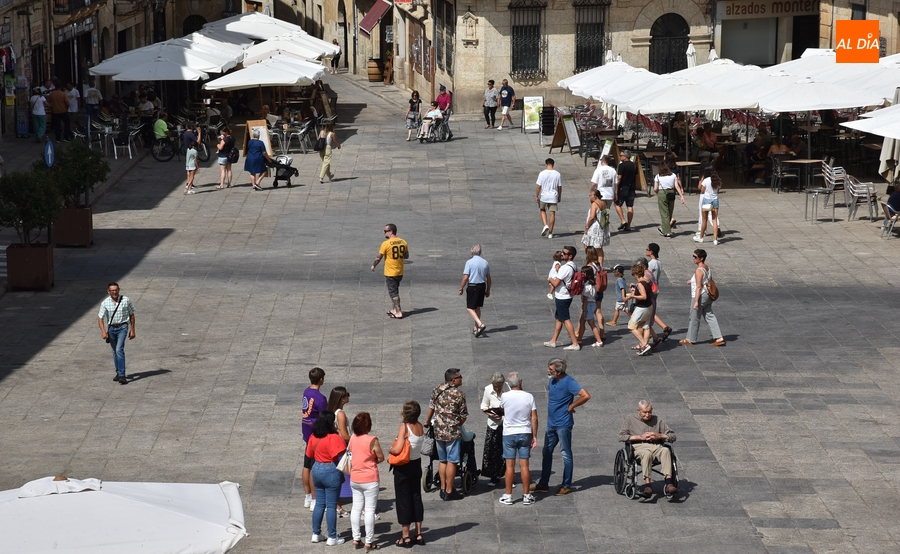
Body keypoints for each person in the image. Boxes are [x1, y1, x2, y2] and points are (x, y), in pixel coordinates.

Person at [531, 358, 590, 496]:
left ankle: (566, 484)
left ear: (558, 372)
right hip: (551, 423)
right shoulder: (552, 380)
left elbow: (586, 395)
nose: (548, 371)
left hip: (563, 424)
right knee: (546, 451)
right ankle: (543, 483)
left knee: (565, 453)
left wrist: (572, 405)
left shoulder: (569, 382)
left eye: (551, 369)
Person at [425, 368, 468, 501]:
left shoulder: (437, 389)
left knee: (442, 460)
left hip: (438, 431)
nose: (462, 379)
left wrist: (427, 422)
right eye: (460, 377)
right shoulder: (459, 394)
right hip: (452, 433)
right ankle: (450, 490)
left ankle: (443, 488)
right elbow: (463, 415)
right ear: (453, 380)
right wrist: (456, 425)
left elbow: (431, 407)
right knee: (453, 461)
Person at [619, 400, 677, 497]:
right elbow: (621, 437)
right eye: (644, 412)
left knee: (666, 450)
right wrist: (640, 437)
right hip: (638, 447)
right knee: (646, 454)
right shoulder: (630, 419)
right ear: (639, 411)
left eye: (649, 412)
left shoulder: (657, 420)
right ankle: (648, 485)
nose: (647, 414)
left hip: (656, 446)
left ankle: (669, 483)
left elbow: (673, 436)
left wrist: (659, 436)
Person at [307, 411, 347, 546]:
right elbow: (342, 451)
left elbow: (309, 453)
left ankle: (316, 533)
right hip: (330, 469)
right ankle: (332, 537)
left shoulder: (313, 436)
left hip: (316, 469)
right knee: (331, 505)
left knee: (319, 503)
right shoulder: (334, 437)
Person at [498, 372, 538, 506]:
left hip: (509, 433)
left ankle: (508, 496)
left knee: (509, 466)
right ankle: (527, 495)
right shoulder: (529, 396)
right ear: (520, 382)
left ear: (509, 385)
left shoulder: (505, 396)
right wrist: (534, 436)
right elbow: (534, 418)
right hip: (525, 432)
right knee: (524, 465)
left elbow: (502, 409)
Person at [389, 401, 425, 547]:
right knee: (416, 497)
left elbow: (397, 450)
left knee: (403, 499)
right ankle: (418, 533)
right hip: (416, 465)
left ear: (405, 413)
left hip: (404, 467)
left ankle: (405, 536)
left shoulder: (404, 427)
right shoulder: (420, 427)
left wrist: (390, 450)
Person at [348, 412, 384, 551]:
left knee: (356, 508)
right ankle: (369, 541)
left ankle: (356, 538)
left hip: (355, 478)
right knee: (369, 510)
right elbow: (380, 457)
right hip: (370, 479)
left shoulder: (352, 439)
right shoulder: (372, 440)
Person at [680, 249, 725, 347]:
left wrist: (696, 301)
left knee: (694, 316)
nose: (693, 258)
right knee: (709, 315)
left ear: (701, 258)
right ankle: (719, 337)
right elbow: (706, 280)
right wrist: (691, 281)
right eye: (693, 256)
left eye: (695, 257)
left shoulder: (698, 270)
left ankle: (690, 339)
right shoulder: (706, 267)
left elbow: (699, 287)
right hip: (708, 295)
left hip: (701, 295)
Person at [97, 282, 136, 385]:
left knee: (119, 349)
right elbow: (100, 318)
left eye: (116, 290)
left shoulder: (126, 300)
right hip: (111, 329)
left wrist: (132, 330)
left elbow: (132, 315)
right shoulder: (105, 303)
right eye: (112, 290)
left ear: (119, 290)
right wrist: (103, 331)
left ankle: (122, 375)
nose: (114, 292)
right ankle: (118, 372)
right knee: (115, 351)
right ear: (108, 291)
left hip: (123, 327)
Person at [543, 246, 581, 351]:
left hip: (562, 297)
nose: (562, 254)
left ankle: (574, 343)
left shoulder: (565, 268)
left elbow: (555, 283)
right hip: (567, 295)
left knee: (565, 319)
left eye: (564, 253)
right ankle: (553, 341)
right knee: (559, 318)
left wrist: (550, 278)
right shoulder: (573, 266)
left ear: (570, 256)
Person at [302, 367, 328, 513]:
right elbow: (325, 416)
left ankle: (307, 497)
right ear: (321, 380)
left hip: (306, 431)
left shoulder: (306, 392)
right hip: (316, 433)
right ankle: (314, 499)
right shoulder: (320, 398)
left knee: (306, 465)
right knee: (313, 467)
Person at [372, 223, 409, 319]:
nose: (383, 233)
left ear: (391, 232)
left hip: (390, 272)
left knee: (393, 293)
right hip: (400, 271)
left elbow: (378, 257)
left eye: (385, 231)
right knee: (395, 289)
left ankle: (398, 311)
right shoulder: (403, 241)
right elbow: (406, 256)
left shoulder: (386, 244)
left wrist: (373, 265)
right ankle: (394, 309)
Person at [326, 386, 351, 518]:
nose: (349, 396)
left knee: (336, 478)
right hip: (342, 448)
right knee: (340, 478)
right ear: (342, 399)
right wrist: (358, 439)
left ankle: (337, 505)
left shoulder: (331, 411)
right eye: (347, 394)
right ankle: (338, 506)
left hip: (333, 447)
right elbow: (344, 435)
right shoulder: (340, 414)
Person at [575, 246, 606, 345]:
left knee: (583, 312)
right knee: (598, 311)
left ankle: (578, 332)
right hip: (599, 290)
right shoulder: (599, 265)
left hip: (591, 292)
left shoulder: (590, 266)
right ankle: (602, 332)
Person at [458, 244, 491, 337]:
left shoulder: (469, 262)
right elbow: (488, 278)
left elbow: (465, 277)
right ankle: (476, 328)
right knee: (477, 307)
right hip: (482, 286)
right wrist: (488, 289)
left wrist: (461, 288)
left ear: (472, 252)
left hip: (473, 286)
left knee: (469, 308)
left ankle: (480, 324)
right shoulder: (485, 262)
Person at [481, 372, 506, 486]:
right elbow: (484, 406)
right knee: (492, 450)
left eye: (499, 386)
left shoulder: (508, 390)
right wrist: (490, 414)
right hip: (493, 424)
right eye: (495, 386)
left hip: (506, 423)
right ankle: (493, 475)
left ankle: (506, 474)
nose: (497, 389)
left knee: (505, 449)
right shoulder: (488, 390)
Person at [645, 243, 673, 341]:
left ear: (651, 251)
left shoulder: (651, 264)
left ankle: (650, 333)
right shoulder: (658, 262)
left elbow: (647, 276)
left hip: (650, 289)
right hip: (656, 288)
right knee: (651, 311)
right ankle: (664, 327)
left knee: (648, 312)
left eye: (647, 249)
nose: (646, 250)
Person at [627, 262, 654, 356]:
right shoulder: (646, 280)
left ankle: (644, 344)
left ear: (636, 274)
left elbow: (644, 296)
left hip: (641, 308)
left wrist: (633, 296)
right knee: (646, 327)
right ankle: (644, 347)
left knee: (631, 326)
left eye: (633, 274)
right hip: (649, 306)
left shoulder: (640, 284)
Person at [653, 162, 684, 238]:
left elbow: (655, 188)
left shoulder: (658, 176)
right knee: (670, 211)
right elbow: (676, 186)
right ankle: (665, 229)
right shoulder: (673, 175)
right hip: (671, 193)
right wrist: (681, 196)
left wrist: (657, 194)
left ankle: (667, 232)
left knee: (664, 213)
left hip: (662, 193)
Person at [577, 266, 604, 348]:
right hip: (593, 303)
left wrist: (584, 310)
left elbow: (585, 299)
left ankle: (599, 341)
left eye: (583, 272)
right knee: (582, 322)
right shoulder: (593, 283)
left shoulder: (586, 286)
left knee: (592, 324)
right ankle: (579, 339)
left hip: (588, 305)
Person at [694, 165, 721, 245]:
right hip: (715, 200)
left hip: (707, 200)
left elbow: (702, 190)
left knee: (704, 220)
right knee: (714, 219)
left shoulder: (706, 180)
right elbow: (718, 190)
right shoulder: (718, 181)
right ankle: (715, 239)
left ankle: (701, 237)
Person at [535, 158, 562, 239]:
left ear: (546, 164)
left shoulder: (542, 173)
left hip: (544, 196)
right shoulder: (557, 174)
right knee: (552, 213)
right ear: (553, 164)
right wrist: (559, 195)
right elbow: (559, 187)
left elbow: (539, 186)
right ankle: (550, 232)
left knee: (542, 210)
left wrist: (537, 196)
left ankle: (545, 225)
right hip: (553, 196)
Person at [581, 189, 609, 261]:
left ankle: (589, 262)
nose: (589, 196)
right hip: (601, 228)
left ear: (595, 196)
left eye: (591, 195)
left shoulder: (594, 204)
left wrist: (587, 227)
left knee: (586, 245)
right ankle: (600, 266)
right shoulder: (603, 203)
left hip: (594, 228)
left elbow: (592, 217)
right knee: (599, 248)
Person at [615, 150, 637, 231]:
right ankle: (629, 225)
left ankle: (623, 220)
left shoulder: (622, 165)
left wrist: (616, 186)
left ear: (625, 156)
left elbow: (619, 177)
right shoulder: (634, 165)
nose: (620, 157)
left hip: (623, 187)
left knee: (617, 204)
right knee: (630, 206)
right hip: (631, 188)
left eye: (621, 155)